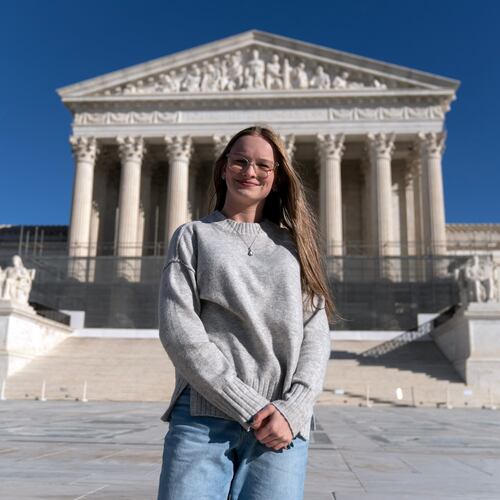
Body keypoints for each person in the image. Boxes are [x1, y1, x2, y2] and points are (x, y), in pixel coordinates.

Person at [157, 125, 336, 499]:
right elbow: (180, 331)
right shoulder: (193, 236)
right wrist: (249, 404)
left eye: (262, 165)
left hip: (281, 421)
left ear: (276, 177)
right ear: (223, 167)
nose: (249, 171)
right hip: (205, 416)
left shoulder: (296, 245)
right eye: (239, 161)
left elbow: (315, 334)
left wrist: (295, 409)